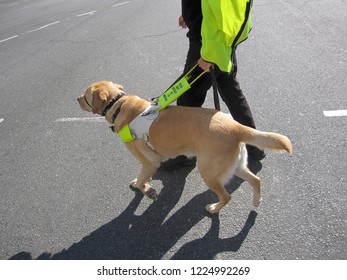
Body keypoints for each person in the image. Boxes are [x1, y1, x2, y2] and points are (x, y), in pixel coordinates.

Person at [160, 0, 265, 170]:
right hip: (213, 40)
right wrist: (188, 13)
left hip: (208, 44)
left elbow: (220, 8)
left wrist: (210, 54)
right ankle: (254, 144)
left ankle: (182, 153)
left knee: (188, 99)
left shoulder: (209, 47)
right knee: (230, 89)